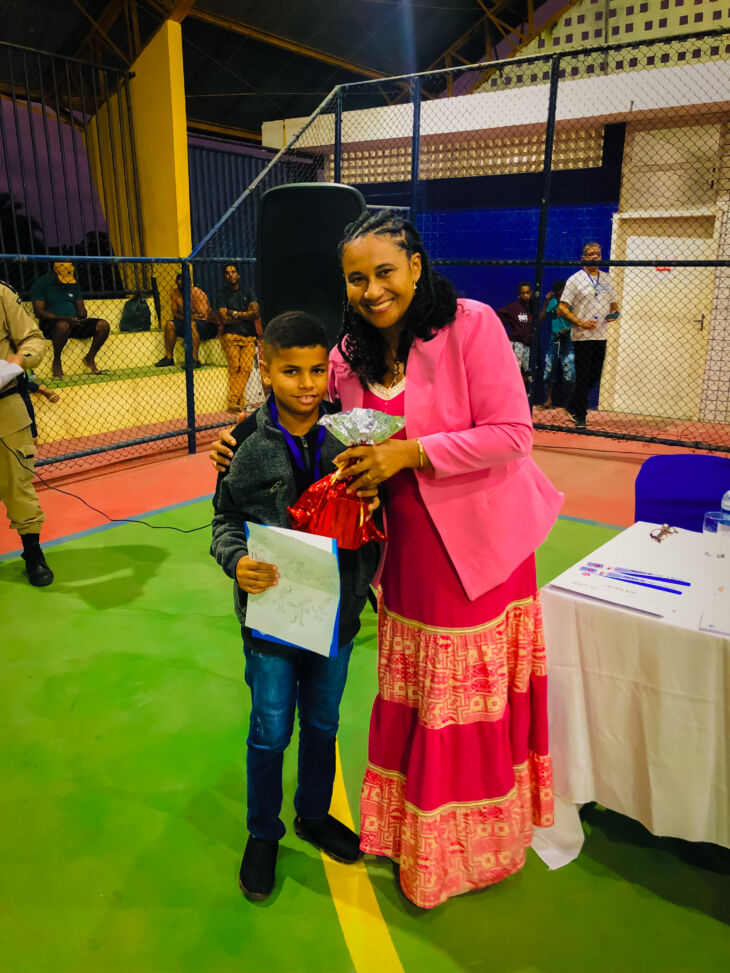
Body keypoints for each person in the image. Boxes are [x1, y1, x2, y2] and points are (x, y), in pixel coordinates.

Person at [210, 211, 563, 909]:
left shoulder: (471, 326)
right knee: (417, 702)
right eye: (356, 278)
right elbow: (302, 402)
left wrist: (410, 453)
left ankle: (468, 846)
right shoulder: (349, 355)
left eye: (385, 272)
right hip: (400, 557)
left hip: (478, 551)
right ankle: (412, 834)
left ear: (416, 266)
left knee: (460, 707)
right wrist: (237, 437)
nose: (372, 290)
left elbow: (512, 433)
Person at [209, 311, 381, 903]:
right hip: (271, 622)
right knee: (270, 731)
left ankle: (312, 813)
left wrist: (375, 505)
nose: (306, 385)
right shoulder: (241, 445)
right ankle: (263, 833)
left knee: (324, 724)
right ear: (265, 369)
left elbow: (377, 514)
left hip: (337, 617)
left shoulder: (352, 438)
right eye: (290, 371)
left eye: (315, 371)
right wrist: (237, 562)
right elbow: (224, 520)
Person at [0, 280, 54, 585]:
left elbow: (33, 339)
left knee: (17, 485)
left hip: (4, 406)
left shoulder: (1, 294)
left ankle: (33, 553)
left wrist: (16, 364)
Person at [558, 242, 620, 430]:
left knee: (595, 374)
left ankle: (571, 405)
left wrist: (613, 315)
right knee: (583, 375)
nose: (595, 257)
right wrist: (580, 322)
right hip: (582, 336)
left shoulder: (607, 279)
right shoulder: (575, 280)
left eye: (598, 254)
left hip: (601, 335)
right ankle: (580, 415)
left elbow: (614, 306)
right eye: (591, 254)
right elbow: (562, 308)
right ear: (584, 257)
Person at [30, 262, 110, 379]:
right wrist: (64, 318)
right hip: (51, 324)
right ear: (54, 273)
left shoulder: (72, 283)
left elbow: (81, 308)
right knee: (63, 325)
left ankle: (90, 358)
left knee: (103, 325)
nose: (65, 282)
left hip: (72, 321)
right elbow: (39, 313)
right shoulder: (41, 283)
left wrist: (81, 316)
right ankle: (57, 361)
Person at [216, 263, 261, 413]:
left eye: (233, 272)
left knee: (246, 368)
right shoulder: (222, 294)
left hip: (249, 336)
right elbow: (224, 318)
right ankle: (238, 403)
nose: (231, 275)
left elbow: (255, 313)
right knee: (235, 368)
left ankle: (233, 401)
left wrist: (235, 314)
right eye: (227, 273)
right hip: (230, 336)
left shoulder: (248, 291)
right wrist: (245, 316)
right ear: (224, 276)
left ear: (238, 275)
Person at [154, 273, 218, 369]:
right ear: (176, 282)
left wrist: (188, 317)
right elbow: (175, 314)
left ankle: (194, 360)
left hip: (207, 326)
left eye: (184, 280)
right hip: (187, 322)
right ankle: (169, 358)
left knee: (192, 324)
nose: (182, 283)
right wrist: (190, 316)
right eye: (180, 280)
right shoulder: (175, 293)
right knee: (170, 324)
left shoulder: (196, 292)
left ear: (190, 282)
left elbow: (203, 316)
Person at [537, 280, 574, 410]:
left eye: (560, 294)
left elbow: (578, 322)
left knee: (570, 374)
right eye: (557, 295)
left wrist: (568, 330)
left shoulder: (571, 303)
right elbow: (541, 319)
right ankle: (548, 400)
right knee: (548, 371)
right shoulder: (552, 302)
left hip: (568, 342)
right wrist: (546, 302)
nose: (558, 297)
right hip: (554, 341)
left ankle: (570, 403)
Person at [497, 281, 533, 387]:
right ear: (519, 294)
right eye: (523, 293)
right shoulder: (514, 307)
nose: (525, 295)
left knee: (526, 371)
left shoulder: (531, 308)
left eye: (527, 292)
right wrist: (508, 322)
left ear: (531, 293)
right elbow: (498, 314)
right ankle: (510, 391)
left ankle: (520, 391)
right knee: (514, 370)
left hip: (528, 344)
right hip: (517, 344)